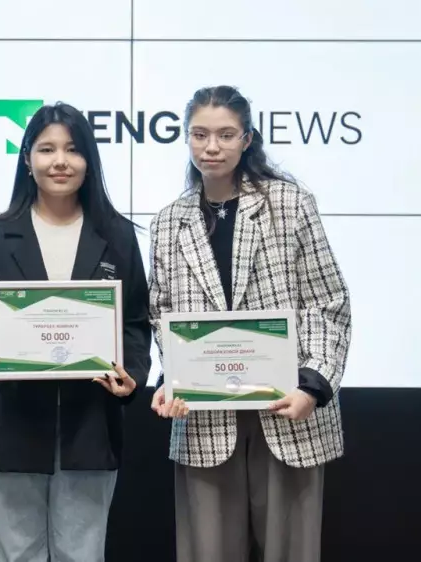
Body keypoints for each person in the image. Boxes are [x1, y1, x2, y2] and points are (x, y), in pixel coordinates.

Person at [149, 85, 352, 562]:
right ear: (186, 138)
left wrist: (313, 386)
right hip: (204, 416)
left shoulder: (289, 204)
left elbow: (328, 302)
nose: (211, 147)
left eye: (225, 135)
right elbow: (161, 313)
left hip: (289, 408)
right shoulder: (168, 222)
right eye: (199, 134)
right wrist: (171, 379)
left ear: (247, 139)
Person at [0, 102, 152, 562]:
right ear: (27, 160)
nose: (60, 161)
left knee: (82, 553)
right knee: (16, 554)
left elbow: (135, 322)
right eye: (46, 149)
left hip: (89, 421)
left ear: (89, 160)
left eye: (72, 149)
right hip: (11, 419)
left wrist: (132, 376)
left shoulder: (118, 235)